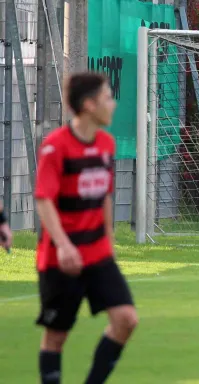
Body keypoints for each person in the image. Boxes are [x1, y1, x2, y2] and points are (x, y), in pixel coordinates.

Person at [35, 72, 138, 384]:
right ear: (90, 105)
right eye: (108, 97)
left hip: (97, 254)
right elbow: (43, 200)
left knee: (126, 319)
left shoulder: (106, 144)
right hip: (60, 259)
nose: (114, 103)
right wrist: (64, 245)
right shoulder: (56, 147)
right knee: (56, 337)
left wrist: (109, 240)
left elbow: (105, 196)